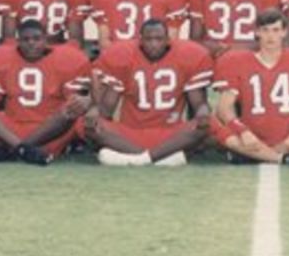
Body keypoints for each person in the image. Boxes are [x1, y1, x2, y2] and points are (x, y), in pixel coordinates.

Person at [211, 9, 289, 165]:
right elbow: (224, 108)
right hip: (252, 136)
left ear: (284, 32)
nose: (270, 36)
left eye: (276, 30)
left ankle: (257, 155)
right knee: (210, 118)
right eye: (265, 30)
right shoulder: (236, 61)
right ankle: (281, 158)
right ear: (257, 32)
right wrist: (243, 131)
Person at [87, 19, 213, 167]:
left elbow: (199, 104)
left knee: (211, 125)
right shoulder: (123, 56)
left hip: (170, 133)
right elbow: (107, 108)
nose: (154, 44)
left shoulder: (188, 56)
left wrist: (203, 113)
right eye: (149, 39)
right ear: (140, 40)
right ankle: (159, 158)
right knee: (85, 123)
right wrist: (94, 111)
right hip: (131, 132)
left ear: (168, 40)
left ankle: (138, 158)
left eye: (159, 39)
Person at [0, 19, 92, 164]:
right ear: (17, 41)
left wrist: (85, 101)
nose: (31, 43)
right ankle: (24, 150)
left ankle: (12, 151)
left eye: (36, 39)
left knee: (73, 106)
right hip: (10, 130)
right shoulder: (1, 60)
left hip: (49, 132)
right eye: (26, 39)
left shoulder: (68, 59)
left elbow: (70, 105)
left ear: (45, 40)